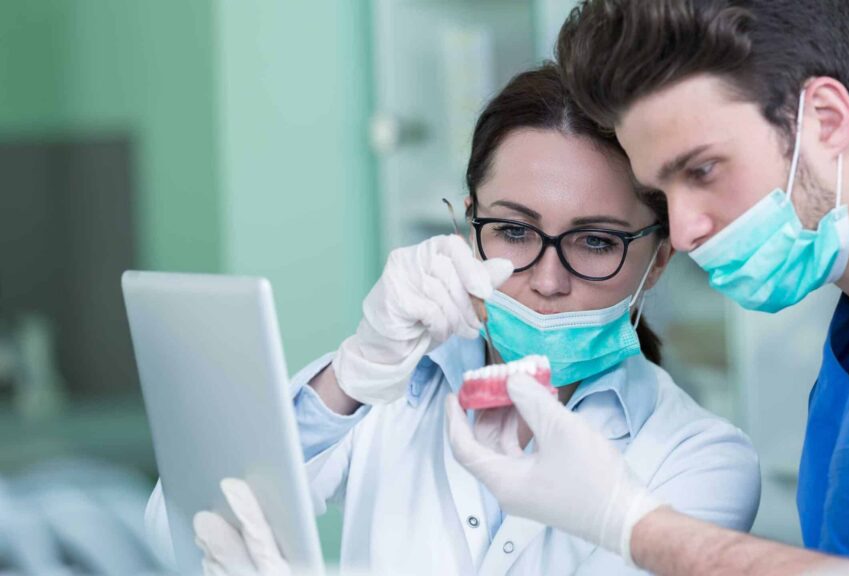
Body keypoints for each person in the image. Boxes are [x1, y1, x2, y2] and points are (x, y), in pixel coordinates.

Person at [447, 1, 849, 574]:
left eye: (701, 171)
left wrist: (631, 523)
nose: (684, 232)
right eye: (663, 190)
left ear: (825, 118)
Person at [145, 64, 761, 575]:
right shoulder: (393, 386)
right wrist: (351, 378)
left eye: (595, 242)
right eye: (515, 232)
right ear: (470, 224)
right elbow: (174, 527)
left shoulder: (701, 462)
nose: (547, 280)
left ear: (656, 261)